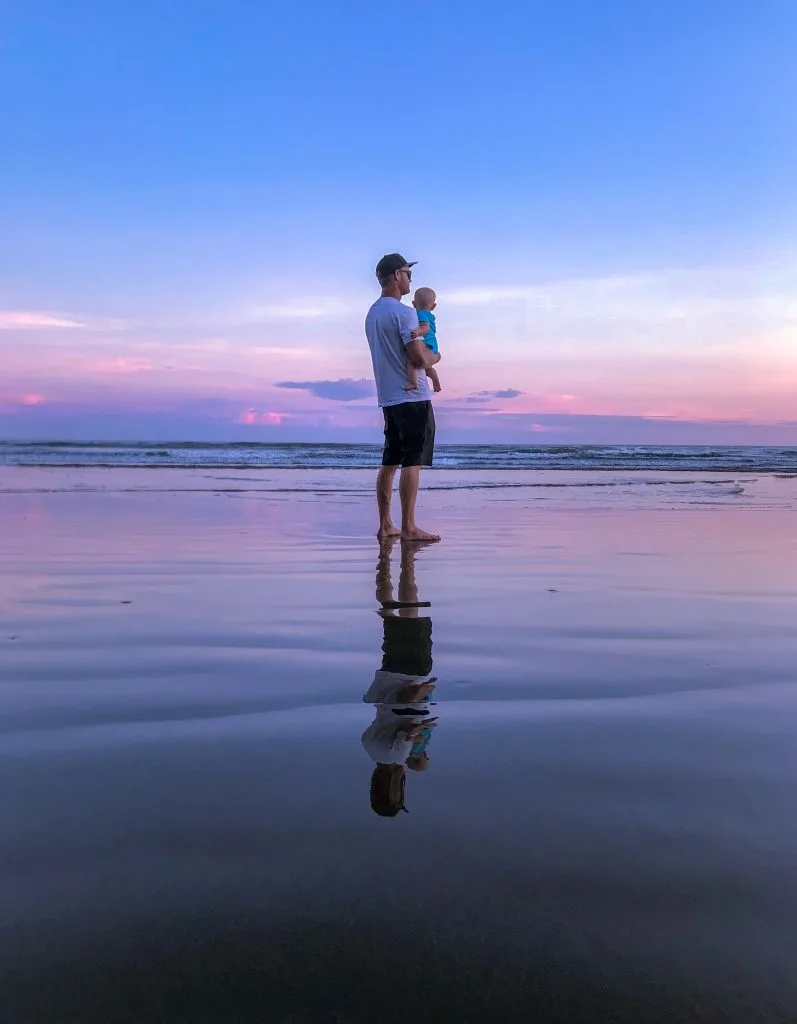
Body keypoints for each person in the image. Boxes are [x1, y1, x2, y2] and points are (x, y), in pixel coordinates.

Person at [365, 253, 441, 543]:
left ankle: (386, 524)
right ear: (397, 275)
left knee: (390, 460)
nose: (410, 279)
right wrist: (437, 356)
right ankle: (409, 527)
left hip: (388, 397)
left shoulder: (373, 313)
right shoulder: (403, 313)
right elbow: (419, 357)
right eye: (408, 273)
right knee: (412, 460)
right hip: (412, 398)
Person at [362, 538, 439, 816]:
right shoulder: (369, 747)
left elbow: (405, 712)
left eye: (397, 793)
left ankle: (408, 561)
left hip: (410, 676)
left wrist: (426, 689)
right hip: (387, 674)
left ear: (391, 788)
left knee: (412, 611)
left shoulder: (397, 755)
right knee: (391, 619)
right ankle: (383, 565)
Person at [405, 287, 441, 394]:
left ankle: (414, 382)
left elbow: (425, 328)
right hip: (433, 347)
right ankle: (436, 382)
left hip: (428, 346)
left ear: (414, 304)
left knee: (412, 362)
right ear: (434, 306)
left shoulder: (420, 314)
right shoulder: (430, 316)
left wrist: (417, 332)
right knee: (428, 367)